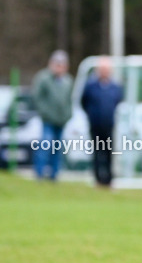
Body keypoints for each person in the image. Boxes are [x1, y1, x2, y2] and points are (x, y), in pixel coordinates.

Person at [80, 56, 123, 188]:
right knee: (97, 153)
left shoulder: (115, 87)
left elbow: (118, 102)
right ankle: (98, 179)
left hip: (109, 125)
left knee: (109, 152)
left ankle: (108, 180)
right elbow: (84, 102)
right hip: (95, 125)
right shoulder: (91, 86)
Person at [32, 50, 74, 181]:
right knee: (46, 145)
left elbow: (68, 101)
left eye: (62, 64)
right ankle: (39, 173)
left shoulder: (68, 81)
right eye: (57, 64)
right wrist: (45, 113)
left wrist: (68, 115)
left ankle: (54, 175)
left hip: (61, 121)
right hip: (48, 120)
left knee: (58, 148)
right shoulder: (43, 78)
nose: (59, 67)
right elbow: (37, 98)